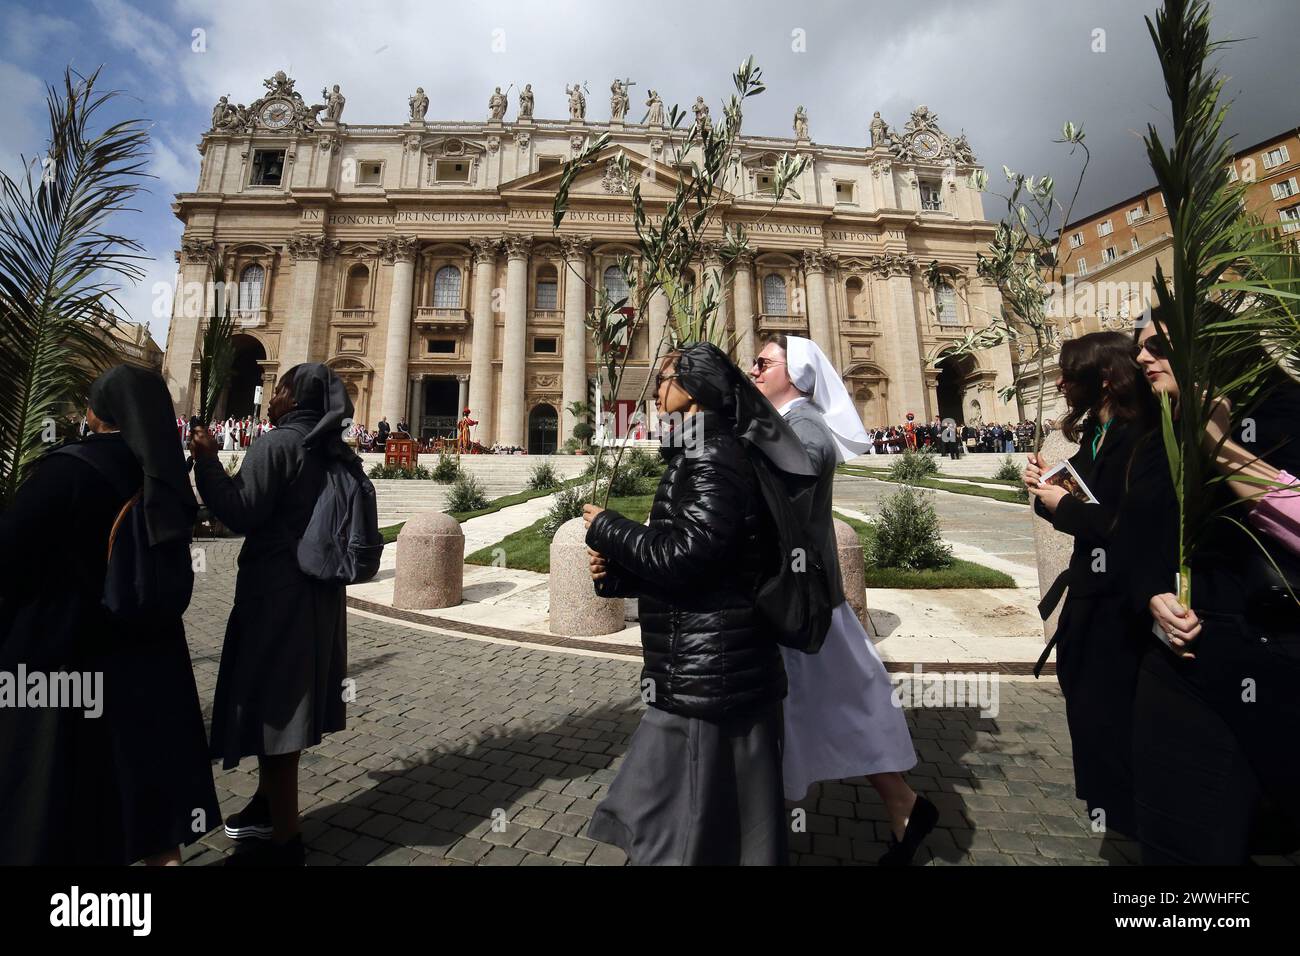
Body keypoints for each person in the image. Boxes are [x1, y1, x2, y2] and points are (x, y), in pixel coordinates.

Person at [581, 343, 805, 865]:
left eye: (663, 381)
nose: (655, 392)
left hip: (707, 668)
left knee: (680, 820)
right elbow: (708, 561)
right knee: (719, 816)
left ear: (693, 389)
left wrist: (609, 529)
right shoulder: (701, 449)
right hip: (707, 660)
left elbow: (690, 555)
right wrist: (621, 574)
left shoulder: (711, 453)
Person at [0, 365, 220, 865]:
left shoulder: (66, 470)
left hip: (69, 652)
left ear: (98, 413)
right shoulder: (166, 475)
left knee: (56, 796)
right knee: (151, 800)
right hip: (150, 651)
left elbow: (10, 553)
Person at [751, 334, 937, 865]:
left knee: (819, 703)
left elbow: (794, 477)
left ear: (797, 374)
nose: (754, 370)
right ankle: (900, 804)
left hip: (801, 597)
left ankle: (766, 829)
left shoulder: (804, 425)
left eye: (764, 362)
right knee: (825, 703)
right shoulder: (787, 421)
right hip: (802, 593)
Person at [1128, 308, 1300, 864]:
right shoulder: (1160, 427)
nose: (1141, 358)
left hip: (1272, 652)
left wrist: (1217, 443)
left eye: (1155, 345)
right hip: (1180, 663)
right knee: (1182, 844)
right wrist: (1152, 589)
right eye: (1139, 347)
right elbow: (1139, 536)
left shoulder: (1282, 408)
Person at [190, 364, 353, 866]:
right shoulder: (334, 450)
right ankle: (266, 807)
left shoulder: (279, 445)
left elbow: (239, 512)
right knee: (291, 703)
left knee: (277, 712)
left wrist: (206, 461)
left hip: (277, 595)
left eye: (279, 387)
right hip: (321, 596)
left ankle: (286, 844)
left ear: (293, 397)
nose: (272, 394)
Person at [1023, 331, 1163, 840]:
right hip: (1089, 597)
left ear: (1104, 378)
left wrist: (1067, 507)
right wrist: (1047, 490)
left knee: (1114, 719)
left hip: (1121, 602)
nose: (1059, 381)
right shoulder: (1094, 436)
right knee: (1089, 711)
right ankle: (1117, 815)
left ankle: (1139, 825)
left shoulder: (1141, 435)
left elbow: (1131, 526)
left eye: (1069, 373)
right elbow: (1075, 506)